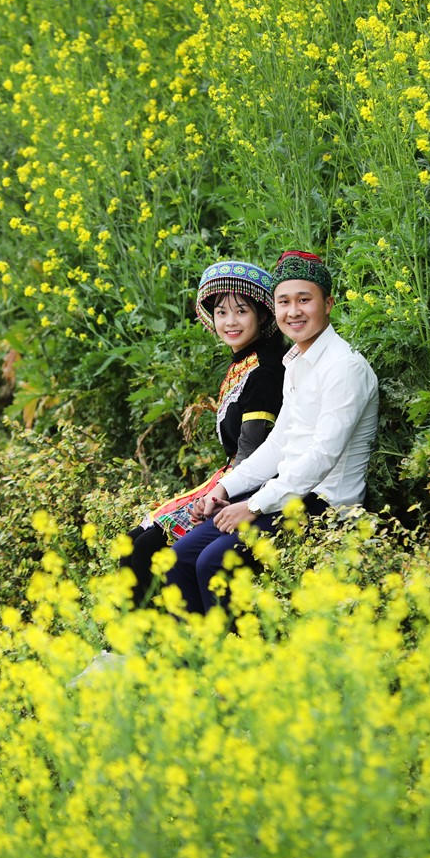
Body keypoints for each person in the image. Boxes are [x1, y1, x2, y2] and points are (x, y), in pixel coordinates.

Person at [162, 250, 378, 615]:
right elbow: (278, 444)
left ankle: (238, 648)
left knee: (215, 562)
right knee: (181, 557)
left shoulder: (345, 367)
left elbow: (322, 457)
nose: (293, 312)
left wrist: (253, 505)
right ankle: (199, 649)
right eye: (284, 302)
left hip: (325, 504)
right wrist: (223, 490)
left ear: (328, 304)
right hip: (285, 494)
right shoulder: (295, 363)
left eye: (304, 300)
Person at [121, 259, 287, 606]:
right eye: (221, 312)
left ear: (262, 315)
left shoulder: (266, 369)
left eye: (241, 311)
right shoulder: (245, 362)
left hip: (250, 486)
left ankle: (158, 634)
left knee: (146, 548)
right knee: (134, 542)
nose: (230, 321)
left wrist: (216, 496)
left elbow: (252, 452)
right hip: (233, 478)